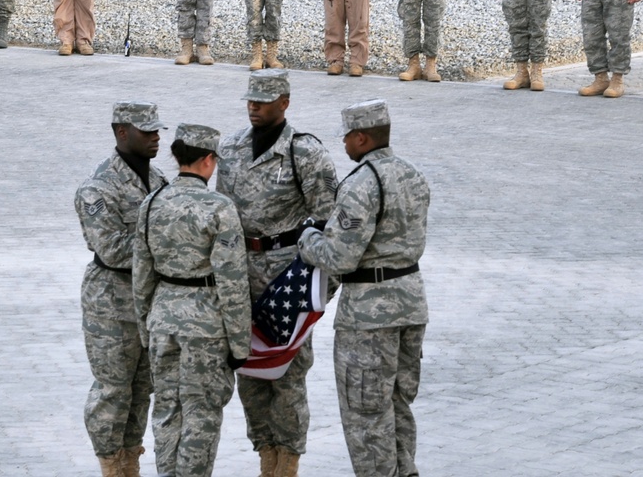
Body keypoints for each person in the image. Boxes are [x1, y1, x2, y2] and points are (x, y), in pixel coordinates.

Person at [298, 99, 430, 477]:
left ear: (361, 137)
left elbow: (339, 257)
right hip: (411, 305)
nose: (343, 145)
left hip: (369, 319)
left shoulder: (360, 184)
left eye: (346, 138)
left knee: (366, 416)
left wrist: (307, 238)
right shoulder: (413, 175)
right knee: (397, 405)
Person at [216, 69, 338, 477]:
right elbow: (219, 214)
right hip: (238, 274)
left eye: (263, 101)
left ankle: (287, 462)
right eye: (250, 99)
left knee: (288, 374)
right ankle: (264, 454)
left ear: (284, 103)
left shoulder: (305, 153)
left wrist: (317, 289)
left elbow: (330, 222)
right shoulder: (230, 148)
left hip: (286, 275)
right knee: (247, 368)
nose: (253, 106)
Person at [133, 123, 250, 477]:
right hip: (206, 327)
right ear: (209, 161)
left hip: (163, 322)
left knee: (167, 411)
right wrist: (240, 344)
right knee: (201, 415)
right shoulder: (220, 207)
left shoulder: (152, 203)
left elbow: (141, 277)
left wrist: (145, 329)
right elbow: (232, 281)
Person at [74, 101, 169, 477]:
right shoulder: (98, 188)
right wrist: (169, 246)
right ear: (121, 132)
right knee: (113, 390)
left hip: (148, 301)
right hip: (111, 303)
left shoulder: (159, 180)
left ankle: (131, 462)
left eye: (157, 130)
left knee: (142, 390)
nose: (156, 137)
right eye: (146, 131)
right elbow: (112, 249)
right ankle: (110, 466)